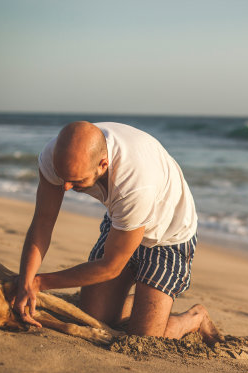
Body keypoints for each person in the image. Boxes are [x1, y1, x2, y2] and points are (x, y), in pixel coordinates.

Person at [13, 121, 223, 345]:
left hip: (168, 237)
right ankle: (143, 300)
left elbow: (111, 266)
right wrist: (26, 279)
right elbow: (43, 221)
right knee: (92, 318)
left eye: (76, 181)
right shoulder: (55, 158)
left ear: (103, 164)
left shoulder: (132, 184)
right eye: (62, 177)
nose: (65, 187)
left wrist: (37, 283)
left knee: (144, 339)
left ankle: (194, 317)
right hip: (122, 223)